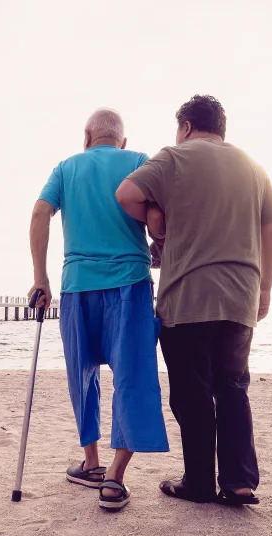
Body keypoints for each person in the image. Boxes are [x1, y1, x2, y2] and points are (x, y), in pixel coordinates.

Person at [115, 95, 272, 506]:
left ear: (186, 126)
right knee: (232, 387)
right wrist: (265, 288)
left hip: (188, 296)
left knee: (191, 394)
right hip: (241, 295)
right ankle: (240, 482)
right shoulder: (252, 166)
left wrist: (157, 221)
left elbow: (126, 193)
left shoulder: (175, 157)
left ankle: (199, 483)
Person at [28, 108, 169, 511]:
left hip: (77, 286)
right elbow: (156, 216)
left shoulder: (66, 167)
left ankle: (90, 462)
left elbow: (40, 212)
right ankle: (113, 480)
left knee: (82, 375)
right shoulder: (139, 161)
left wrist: (41, 278)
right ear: (121, 141)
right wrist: (158, 246)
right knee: (133, 375)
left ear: (86, 137)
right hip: (129, 283)